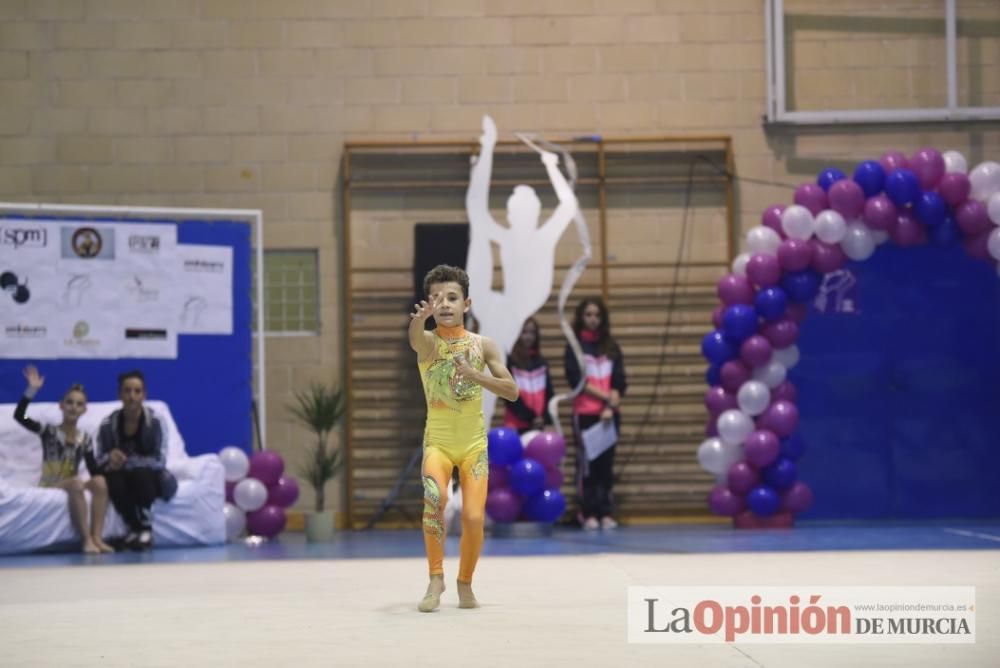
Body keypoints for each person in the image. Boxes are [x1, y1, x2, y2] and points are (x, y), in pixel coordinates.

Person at [409, 264, 519, 612]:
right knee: (435, 497)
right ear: (429, 303)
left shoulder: (483, 346)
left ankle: (465, 582)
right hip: (438, 443)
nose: (444, 304)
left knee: (473, 517)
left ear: (466, 304)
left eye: (452, 297)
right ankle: (436, 577)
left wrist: (476, 374)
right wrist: (418, 320)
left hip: (473, 446)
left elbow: (513, 391)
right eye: (437, 298)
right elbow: (414, 338)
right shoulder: (428, 343)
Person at [13, 366, 113, 554]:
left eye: (79, 404)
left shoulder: (85, 438)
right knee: (76, 484)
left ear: (84, 410)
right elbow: (20, 416)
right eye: (69, 402)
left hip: (72, 482)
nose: (73, 407)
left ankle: (97, 537)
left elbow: (94, 470)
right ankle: (86, 540)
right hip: (51, 483)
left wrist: (111, 467)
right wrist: (31, 390)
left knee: (100, 482)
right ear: (61, 405)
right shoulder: (48, 431)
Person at [93, 370, 177, 551]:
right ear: (119, 395)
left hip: (151, 477)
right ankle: (137, 528)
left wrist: (128, 463)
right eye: (127, 391)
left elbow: (160, 460)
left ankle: (145, 527)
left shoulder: (155, 421)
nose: (132, 396)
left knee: (140, 474)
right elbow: (98, 460)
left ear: (144, 395)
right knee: (113, 479)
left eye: (137, 391)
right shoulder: (108, 424)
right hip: (121, 476)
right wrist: (110, 458)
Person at [564, 298, 628, 531]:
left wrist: (611, 405)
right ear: (581, 318)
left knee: (606, 466)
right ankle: (587, 511)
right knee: (588, 465)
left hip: (609, 415)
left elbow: (620, 381)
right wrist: (604, 398)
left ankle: (605, 511)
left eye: (597, 315)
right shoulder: (575, 348)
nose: (593, 319)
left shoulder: (611, 347)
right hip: (586, 414)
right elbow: (577, 381)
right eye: (588, 315)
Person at [503, 317, 555, 434]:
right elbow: (509, 395)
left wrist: (545, 419)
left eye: (532, 333)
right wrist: (531, 417)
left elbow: (549, 394)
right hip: (516, 424)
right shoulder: (509, 362)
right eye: (524, 332)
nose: (528, 337)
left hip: (539, 424)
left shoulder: (542, 363)